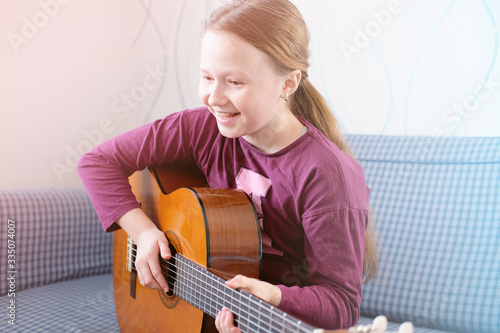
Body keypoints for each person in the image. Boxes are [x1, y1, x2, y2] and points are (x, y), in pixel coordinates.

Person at [77, 0, 377, 331]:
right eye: (207, 77)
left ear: (288, 83)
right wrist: (145, 233)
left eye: (234, 82)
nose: (214, 97)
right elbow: (97, 162)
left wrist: (273, 296)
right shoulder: (202, 128)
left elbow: (341, 304)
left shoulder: (326, 175)